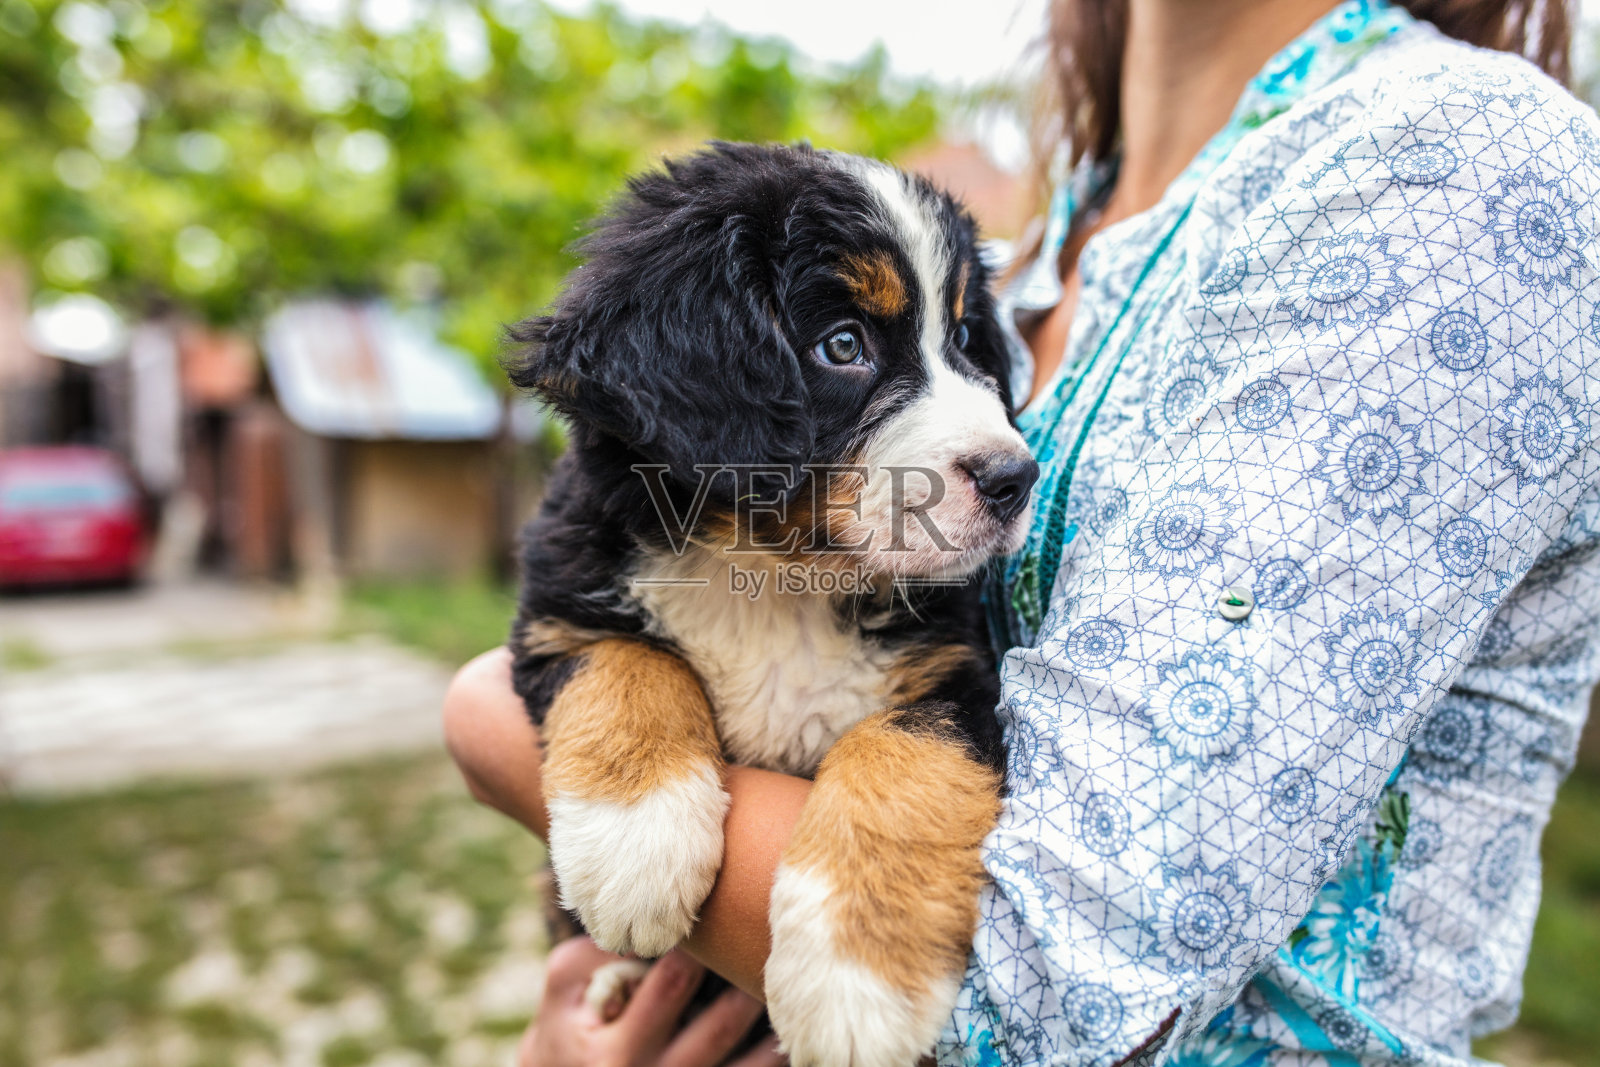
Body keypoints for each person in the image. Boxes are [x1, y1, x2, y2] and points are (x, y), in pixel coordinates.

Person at [446, 0, 1600, 1062]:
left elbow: (1058, 987)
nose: (992, 428)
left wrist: (492, 726)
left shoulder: (1455, 169)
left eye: (962, 349)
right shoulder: (1059, 242)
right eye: (855, 347)